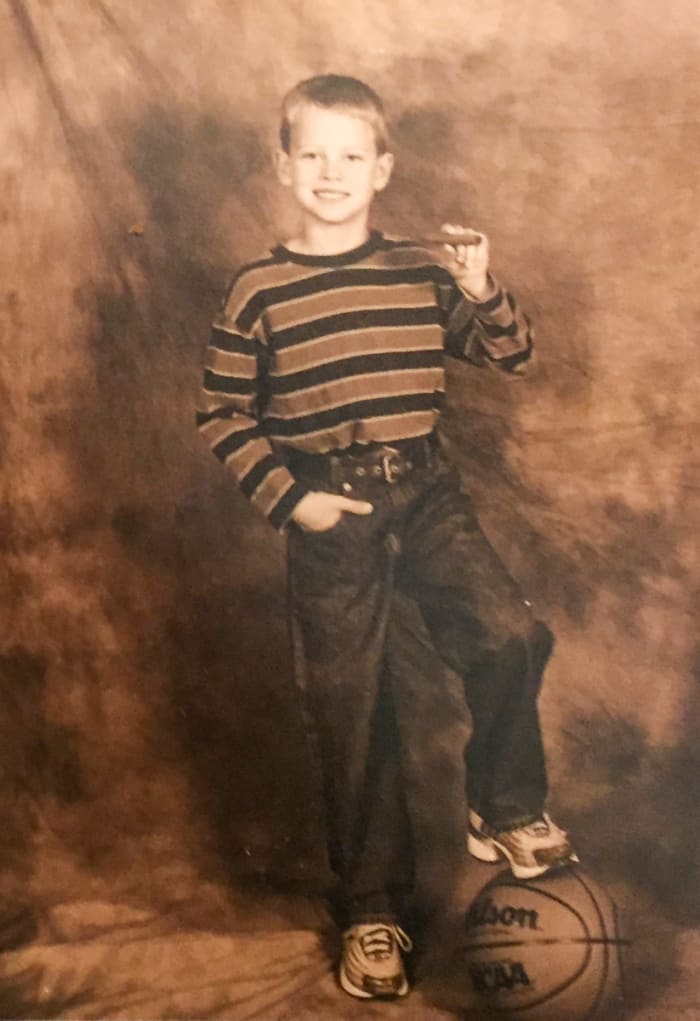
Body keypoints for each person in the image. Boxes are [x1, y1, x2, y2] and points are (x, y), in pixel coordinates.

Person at [196, 73, 578, 1001]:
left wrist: (481, 287)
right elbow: (221, 414)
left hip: (427, 489)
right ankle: (374, 910)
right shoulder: (259, 290)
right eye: (313, 155)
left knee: (512, 632)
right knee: (352, 711)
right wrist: (295, 500)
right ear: (283, 166)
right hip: (332, 513)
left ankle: (505, 800)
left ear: (384, 169)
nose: (333, 172)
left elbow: (513, 353)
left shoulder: (416, 270)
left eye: (352, 156)